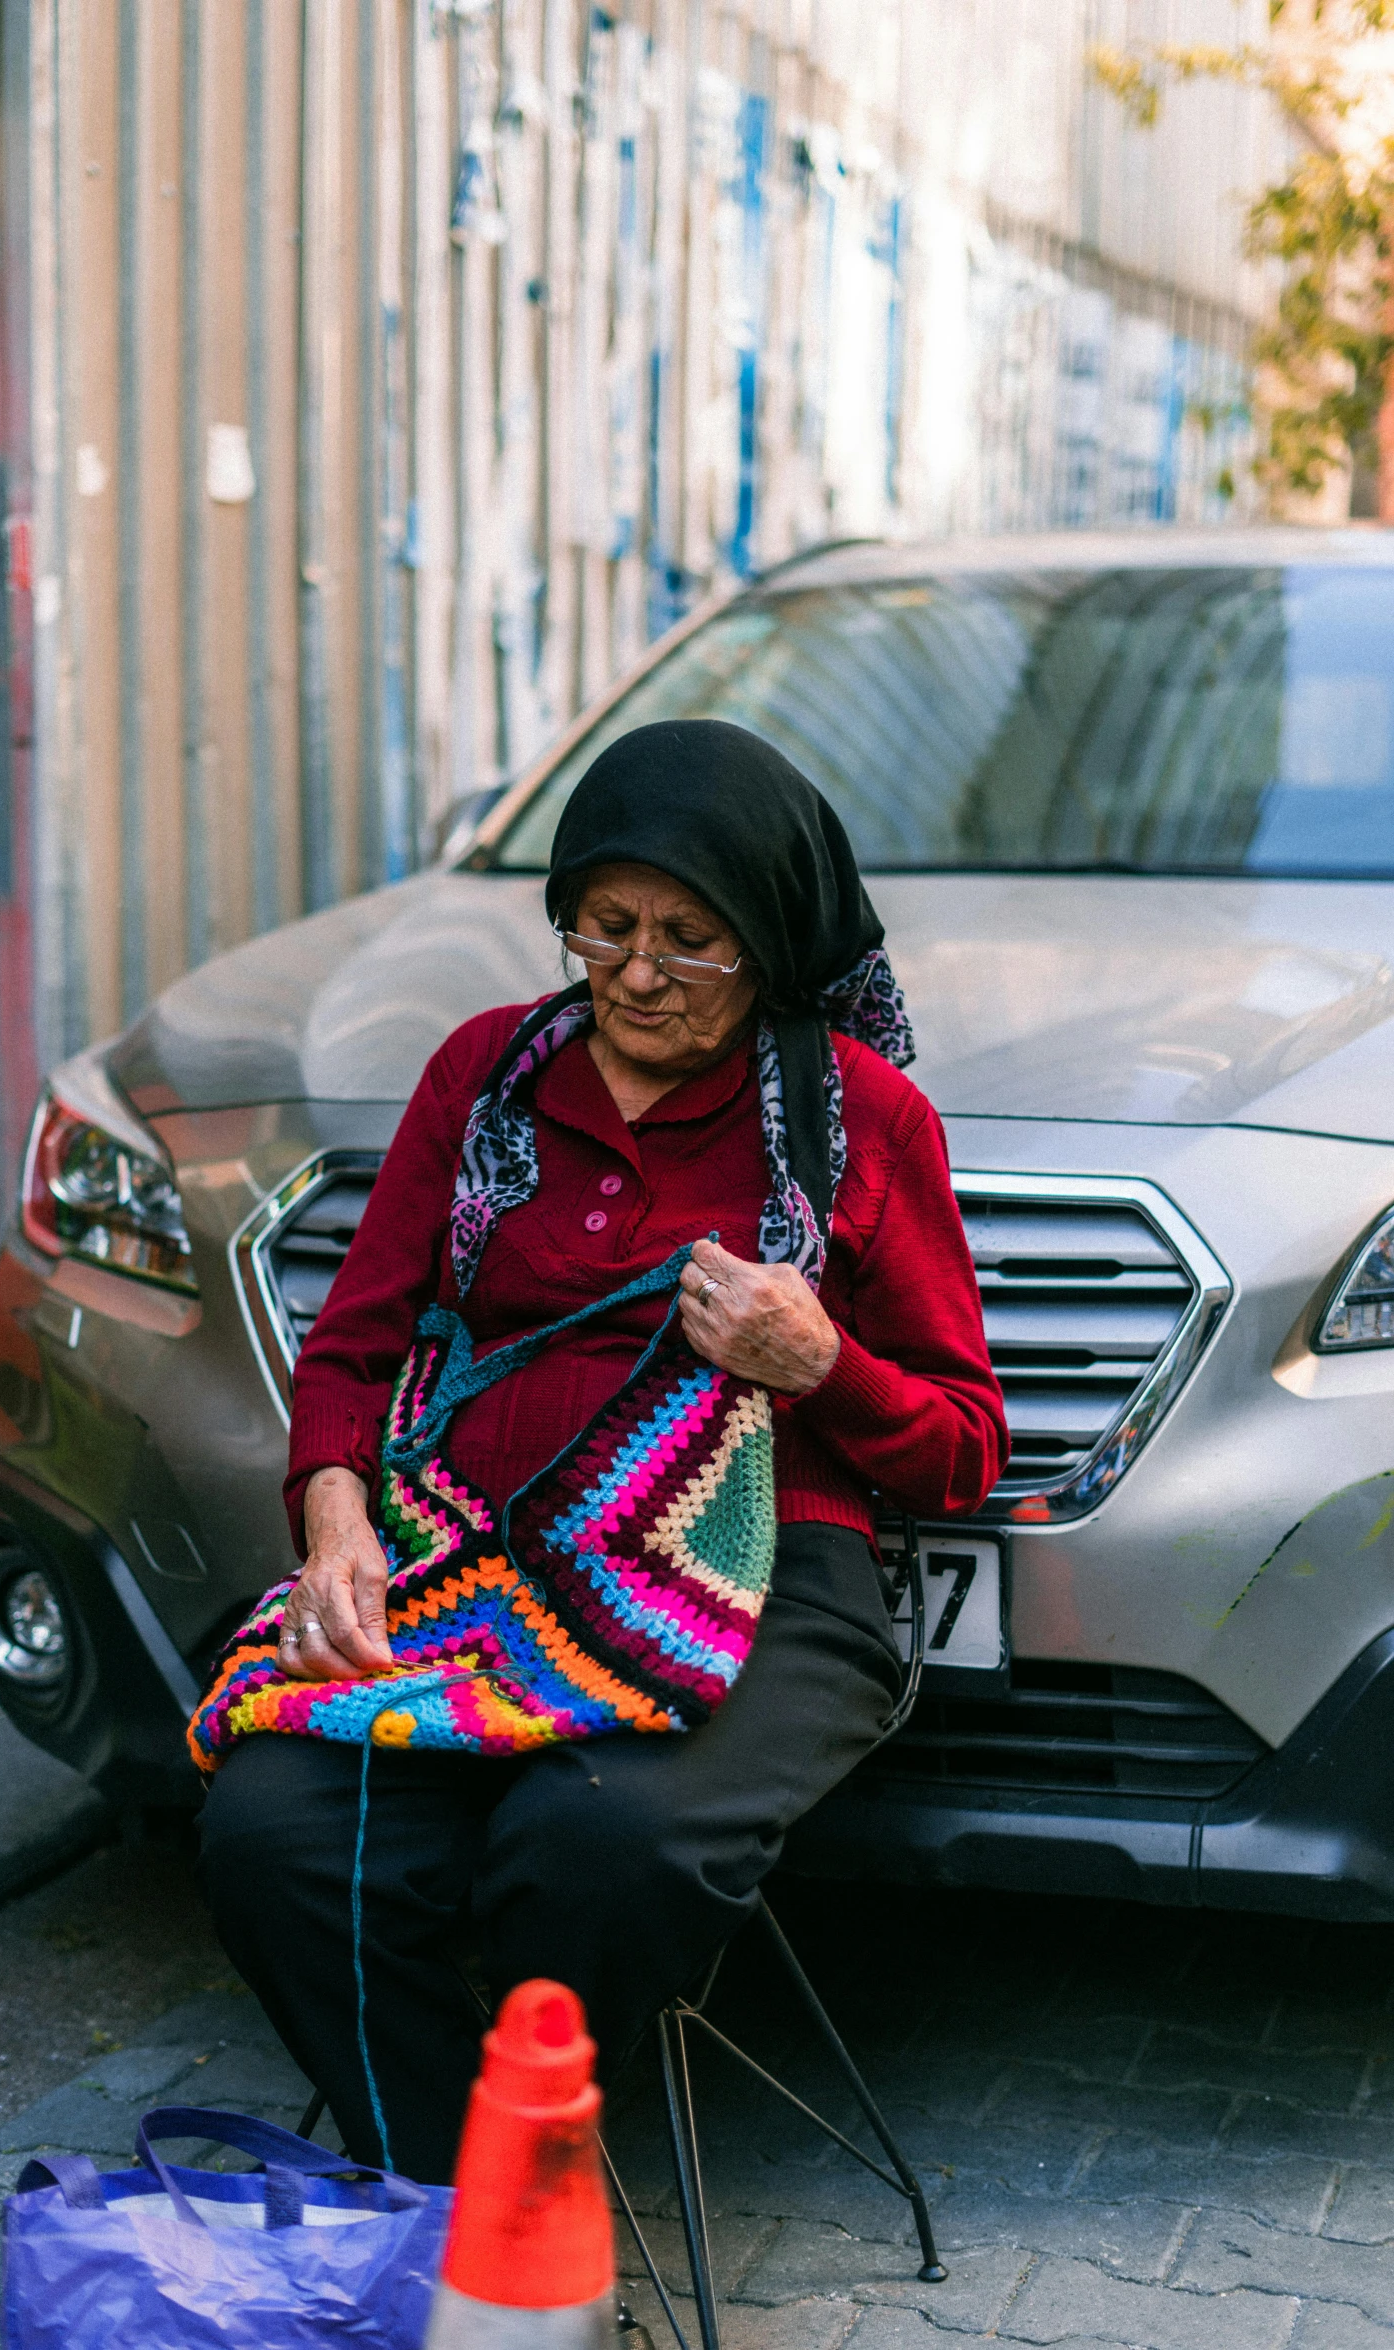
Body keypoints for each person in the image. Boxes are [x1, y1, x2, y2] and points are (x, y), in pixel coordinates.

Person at [198, 720, 1008, 2183]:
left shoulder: (857, 1116)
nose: (636, 972)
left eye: (690, 939)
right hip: (470, 1566)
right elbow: (353, 1348)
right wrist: (335, 1521)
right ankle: (481, 2206)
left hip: (758, 1585)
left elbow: (959, 1447)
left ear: (765, 941)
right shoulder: (484, 1073)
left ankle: (492, 2221)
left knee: (597, 1844)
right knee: (271, 1830)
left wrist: (815, 1361)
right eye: (605, 925)